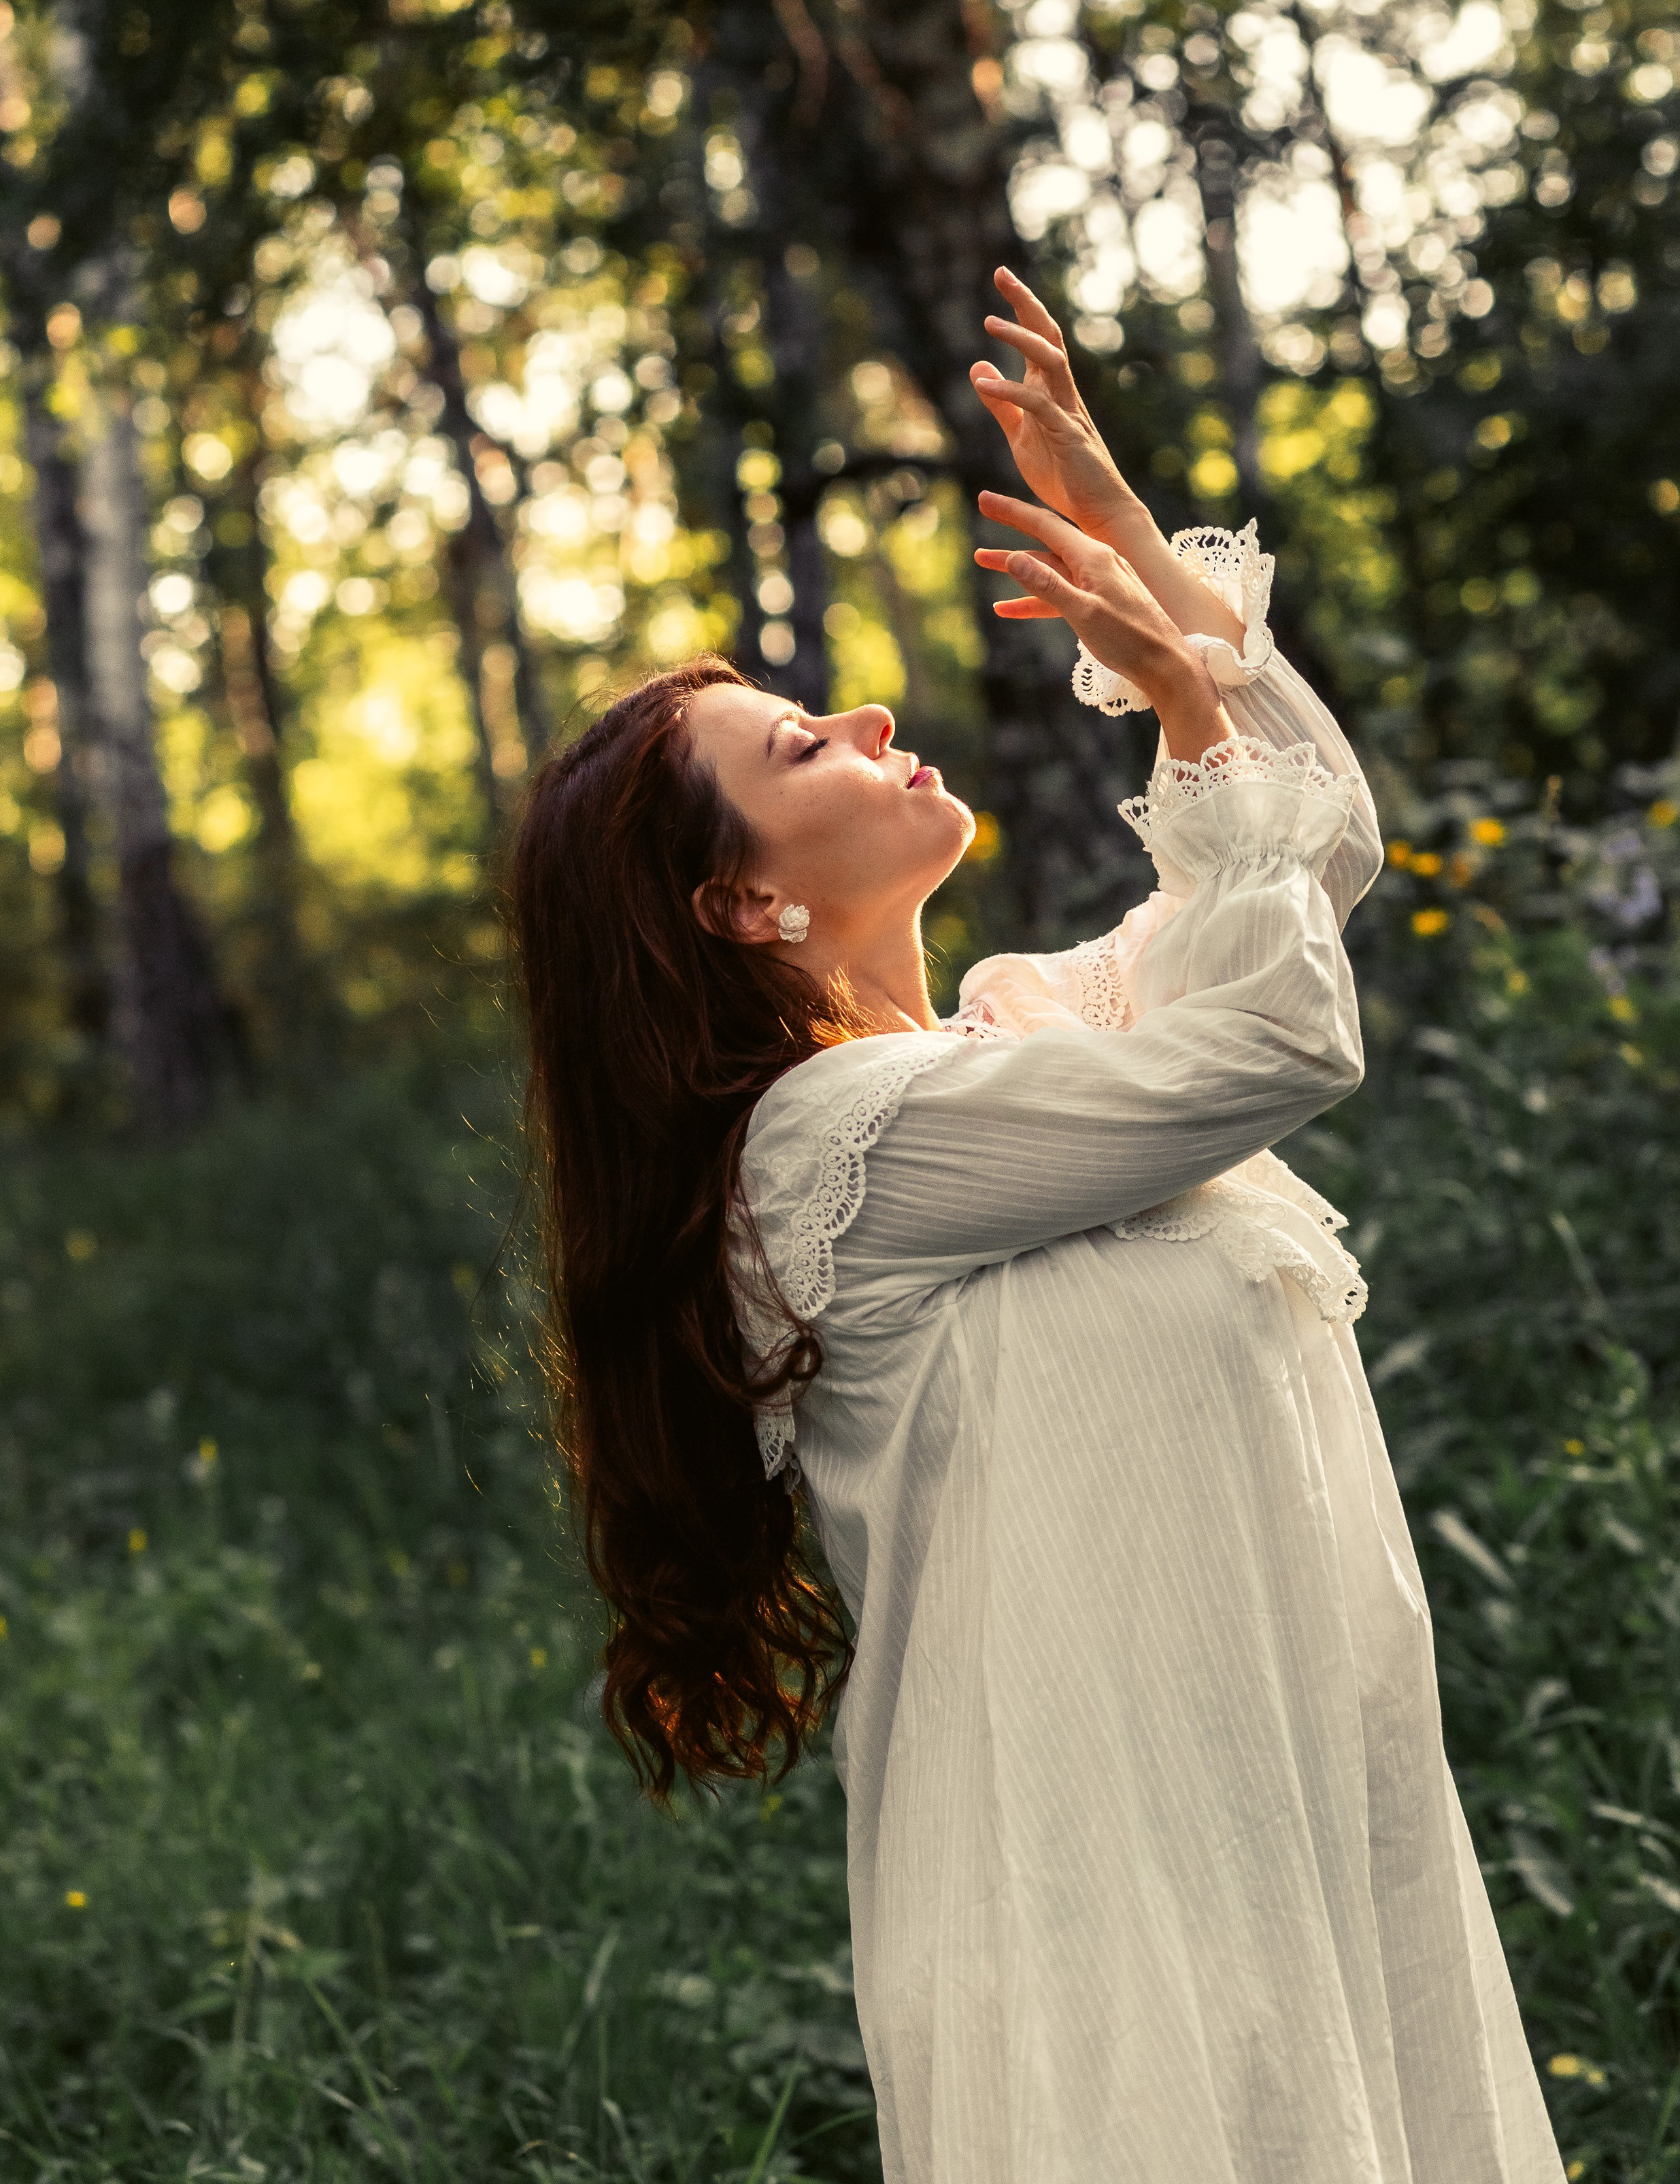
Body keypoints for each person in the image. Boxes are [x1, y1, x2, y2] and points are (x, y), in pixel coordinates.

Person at [509, 271, 1564, 2184]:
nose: (872, 708)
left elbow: (1310, 854)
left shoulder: (1019, 1034)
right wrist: (1170, 692)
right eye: (801, 748)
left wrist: (1128, 540)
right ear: (740, 910)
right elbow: (1269, 1040)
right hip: (1112, 1924)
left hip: (1286, 1827)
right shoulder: (827, 1151)